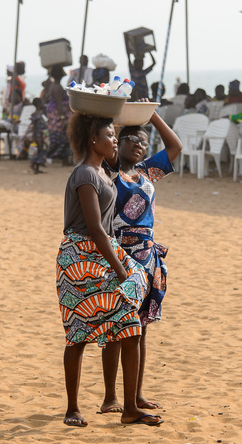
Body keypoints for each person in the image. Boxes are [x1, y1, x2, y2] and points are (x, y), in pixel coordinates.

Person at [57, 112, 163, 427]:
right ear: (93, 140)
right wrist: (121, 270)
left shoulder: (103, 173)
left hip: (104, 254)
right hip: (80, 258)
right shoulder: (85, 175)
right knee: (78, 335)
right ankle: (72, 408)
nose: (114, 140)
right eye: (109, 135)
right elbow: (95, 228)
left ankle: (130, 408)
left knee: (130, 326)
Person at [100, 99, 183, 414]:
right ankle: (110, 398)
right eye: (131, 140)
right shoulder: (107, 171)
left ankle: (135, 395)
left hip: (148, 258)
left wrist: (151, 115)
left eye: (143, 143)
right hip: (118, 256)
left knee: (139, 328)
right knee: (115, 327)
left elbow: (175, 145)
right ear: (118, 142)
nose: (138, 146)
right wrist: (118, 125)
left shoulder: (149, 172)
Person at [46, 65, 72, 164]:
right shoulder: (57, 87)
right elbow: (59, 103)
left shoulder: (54, 85)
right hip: (57, 115)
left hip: (55, 113)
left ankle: (64, 158)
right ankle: (53, 156)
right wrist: (62, 117)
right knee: (61, 135)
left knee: (63, 135)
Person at [17, 97, 48, 173]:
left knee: (40, 151)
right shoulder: (36, 114)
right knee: (35, 152)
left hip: (41, 136)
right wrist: (34, 137)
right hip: (37, 136)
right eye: (41, 103)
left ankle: (37, 168)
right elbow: (34, 126)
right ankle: (32, 165)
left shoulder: (40, 113)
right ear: (38, 104)